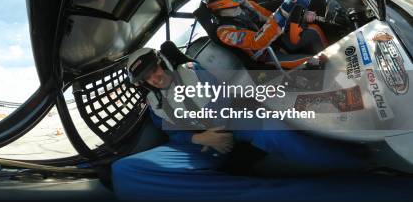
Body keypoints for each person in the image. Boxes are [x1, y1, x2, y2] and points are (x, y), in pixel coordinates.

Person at [111, 47, 375, 199]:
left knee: (275, 130)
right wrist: (198, 138)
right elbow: (167, 128)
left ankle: (362, 164)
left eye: (154, 69)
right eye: (147, 77)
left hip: (232, 122)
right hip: (199, 143)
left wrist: (219, 128)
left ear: (162, 62)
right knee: (125, 171)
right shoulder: (154, 103)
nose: (155, 78)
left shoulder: (192, 70)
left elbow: (223, 98)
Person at [198, 0, 327, 69]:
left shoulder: (247, 5)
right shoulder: (224, 32)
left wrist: (301, 14)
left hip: (278, 40)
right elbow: (257, 42)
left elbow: (270, 18)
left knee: (314, 30)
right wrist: (287, 6)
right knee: (316, 62)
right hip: (268, 56)